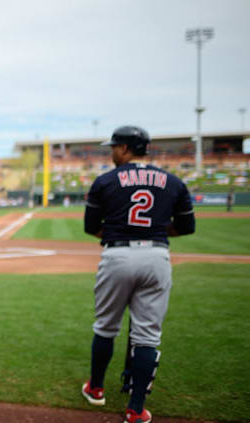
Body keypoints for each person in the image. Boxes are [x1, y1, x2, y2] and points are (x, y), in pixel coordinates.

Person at [80, 126, 195, 423]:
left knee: (106, 327)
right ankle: (135, 408)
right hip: (157, 256)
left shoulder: (105, 181)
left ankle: (95, 389)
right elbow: (186, 227)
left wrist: (123, 234)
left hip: (117, 254)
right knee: (147, 337)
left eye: (114, 147)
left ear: (126, 149)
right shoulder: (174, 182)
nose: (111, 152)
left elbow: (91, 226)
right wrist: (152, 232)